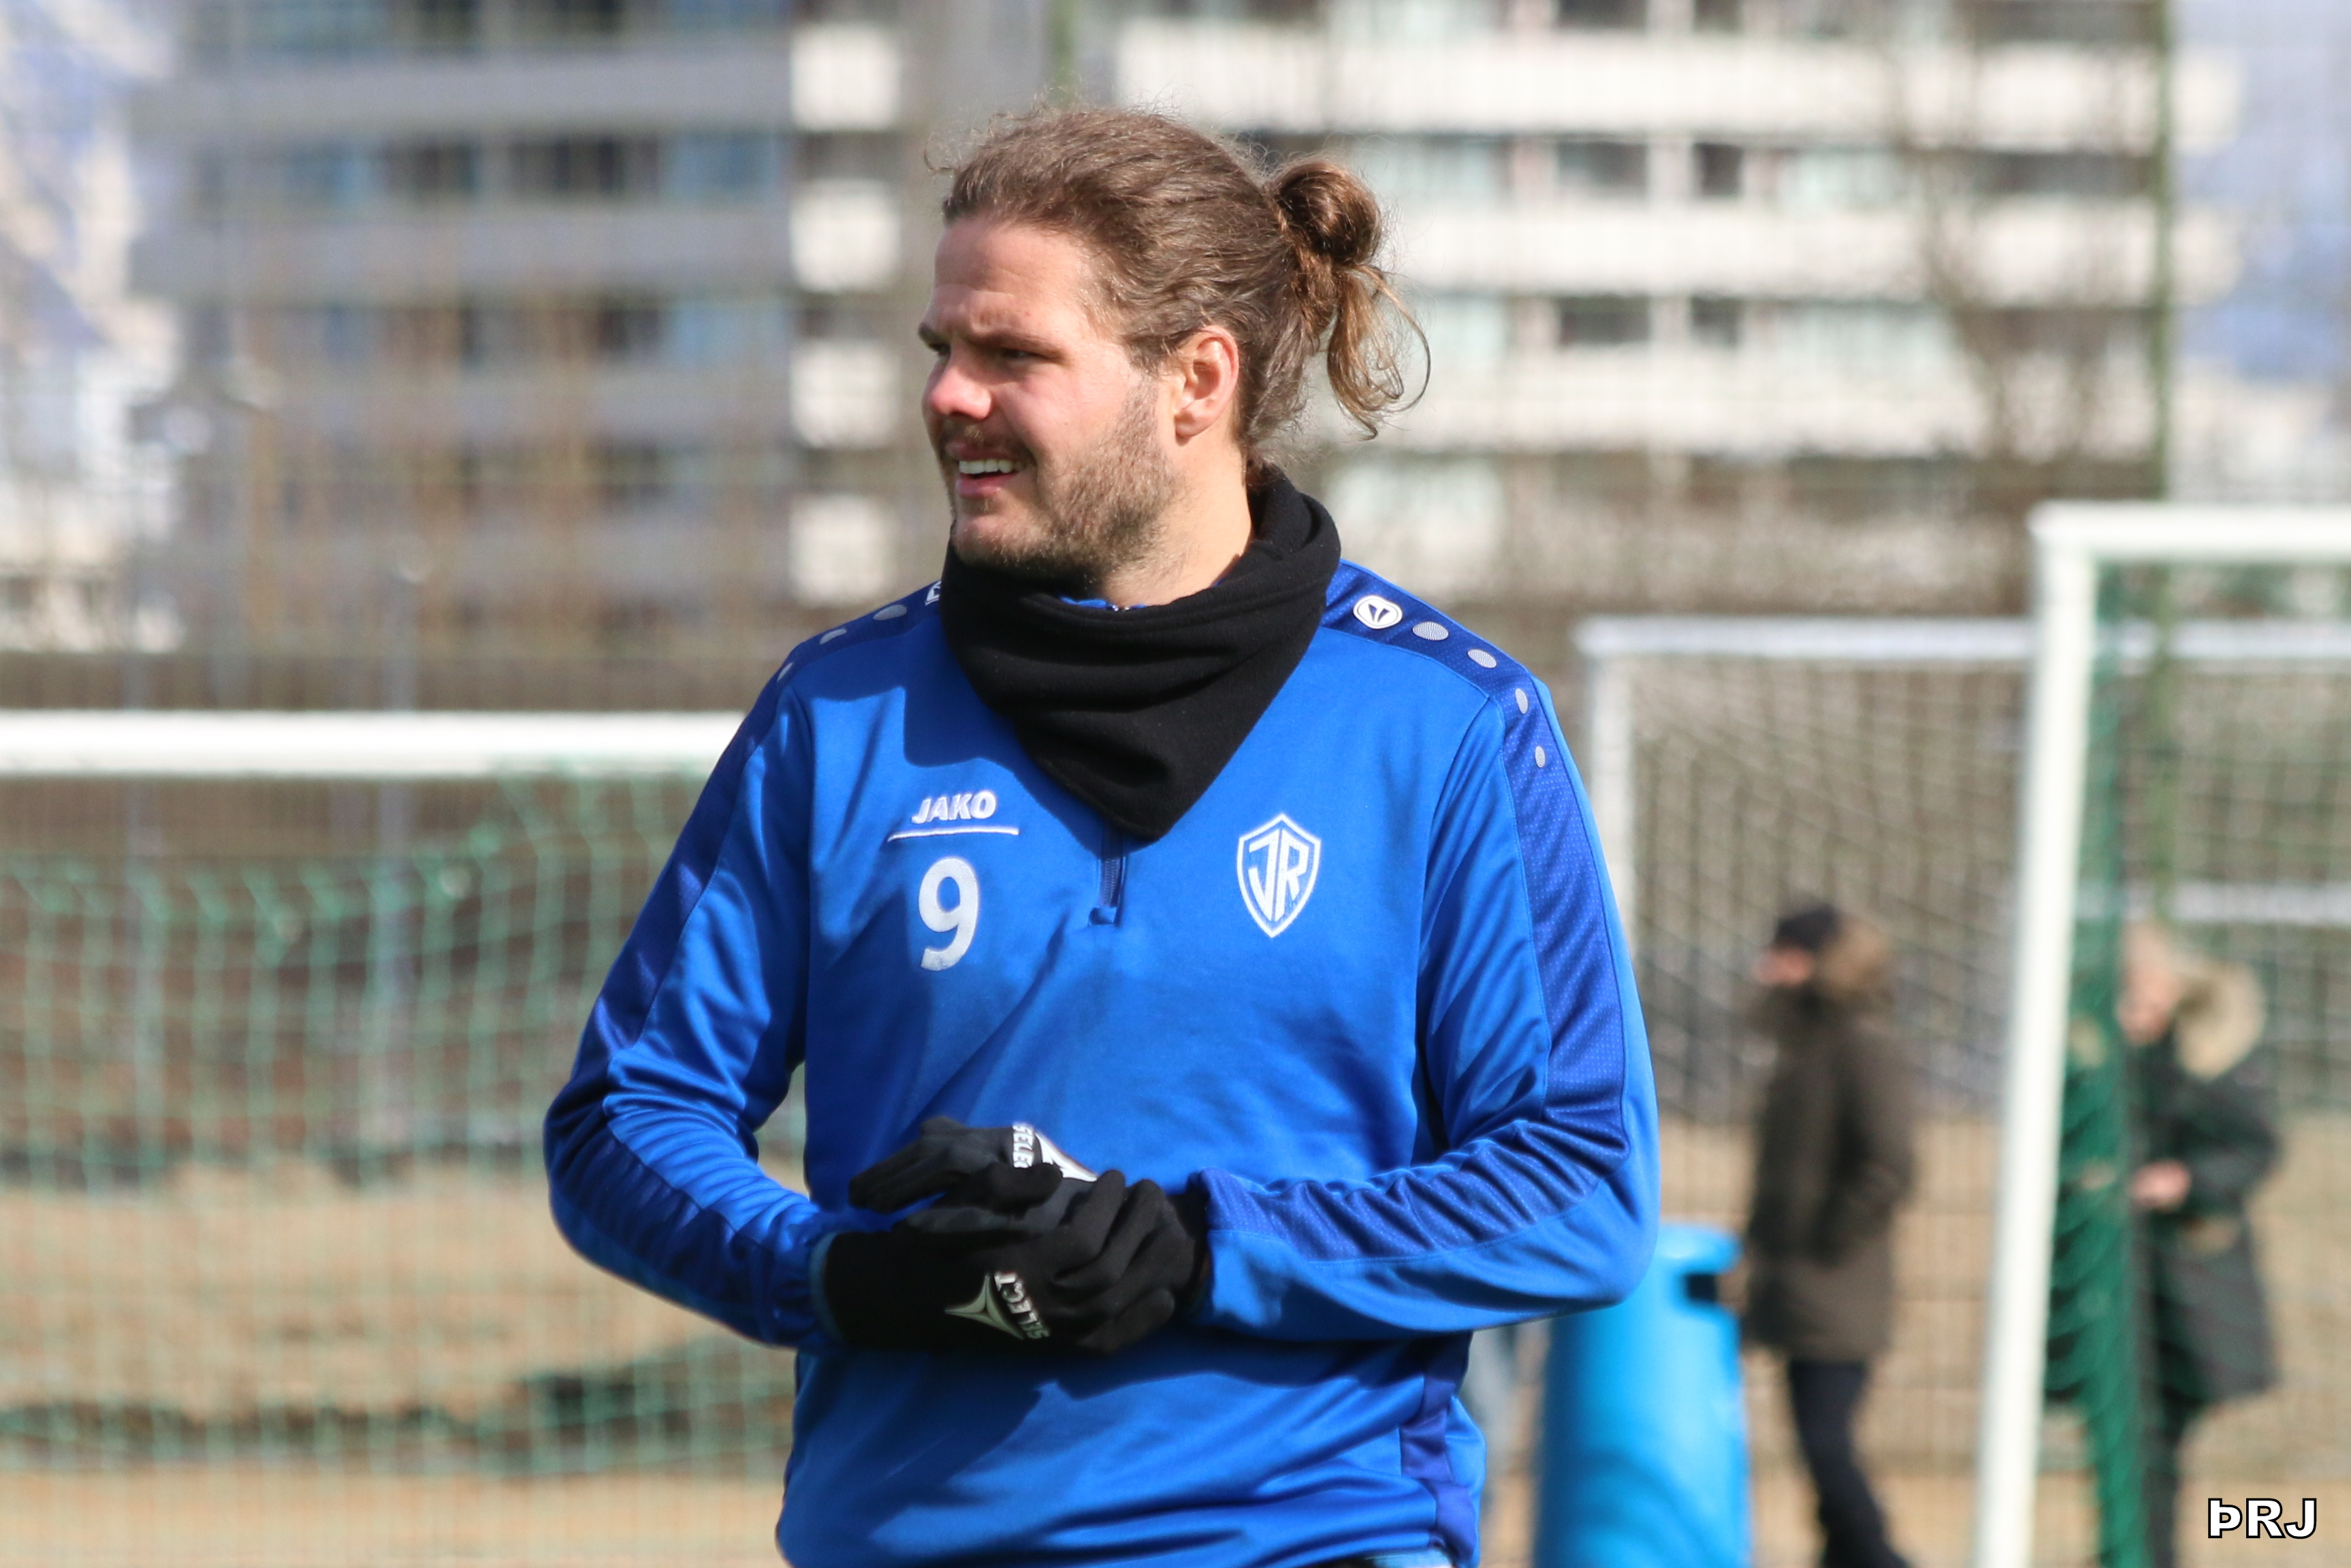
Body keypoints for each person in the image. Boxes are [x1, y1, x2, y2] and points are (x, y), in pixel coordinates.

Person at [543, 106, 1657, 1568]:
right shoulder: (837, 712)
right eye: (941, 347)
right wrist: (844, 1274)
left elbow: (1579, 1180)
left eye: (1012, 354)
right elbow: (623, 1120)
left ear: (1195, 379)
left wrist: (1201, 1246)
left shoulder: (1446, 724)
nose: (950, 395)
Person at [1742, 902, 1916, 1568]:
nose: (1768, 968)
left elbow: (1888, 1164)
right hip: (1799, 1285)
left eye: (1784, 953)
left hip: (1835, 1288)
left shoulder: (1861, 1045)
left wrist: (1821, 1243)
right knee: (1817, 1446)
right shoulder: (1803, 1046)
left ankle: (1877, 1556)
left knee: (1826, 1443)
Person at [2116, 923, 2279, 1568]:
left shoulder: (2210, 1058)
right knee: (2124, 1431)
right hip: (2113, 1276)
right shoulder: (2100, 1058)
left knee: (2157, 1431)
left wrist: (2185, 1180)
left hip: (2186, 1276)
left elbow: (2255, 1147)